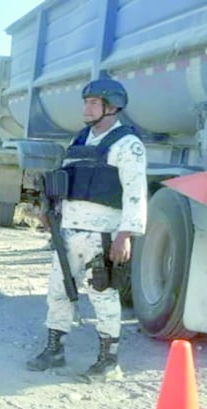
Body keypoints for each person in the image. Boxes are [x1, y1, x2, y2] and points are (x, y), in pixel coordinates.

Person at [25, 78, 147, 383]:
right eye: (86, 102)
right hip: (68, 231)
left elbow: (135, 191)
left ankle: (108, 361)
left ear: (112, 107)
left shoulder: (127, 145)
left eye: (93, 102)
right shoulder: (79, 141)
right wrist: (49, 210)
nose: (86, 107)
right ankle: (55, 349)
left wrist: (126, 234)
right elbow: (66, 182)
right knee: (58, 291)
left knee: (103, 295)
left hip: (102, 235)